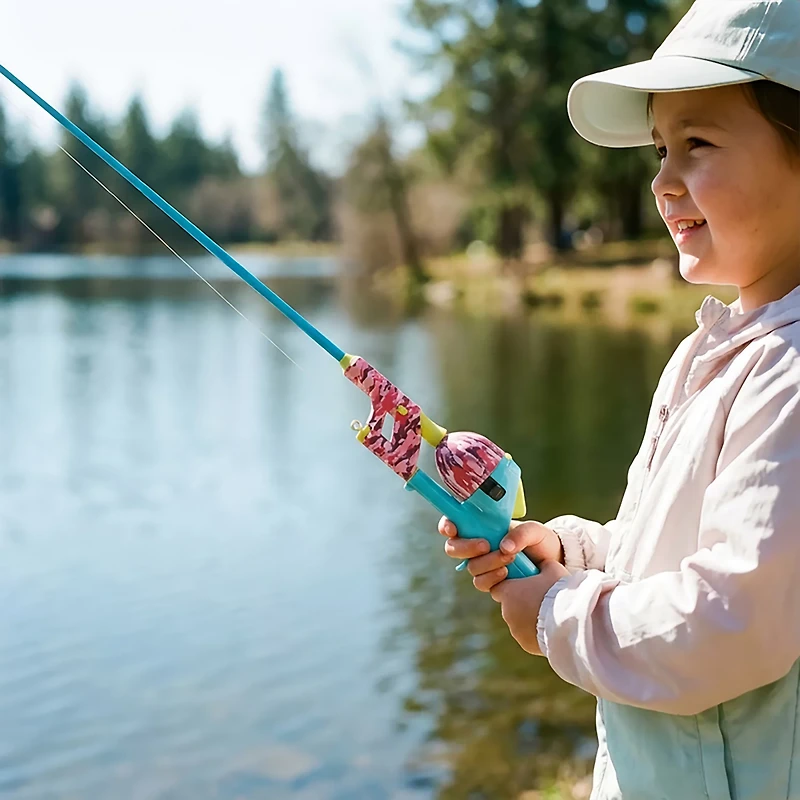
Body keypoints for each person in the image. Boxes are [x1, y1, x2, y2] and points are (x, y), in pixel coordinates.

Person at [438, 1, 800, 797]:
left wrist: (556, 614)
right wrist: (568, 552)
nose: (661, 180)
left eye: (697, 144)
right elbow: (653, 548)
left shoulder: (792, 374)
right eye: (663, 148)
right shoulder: (706, 351)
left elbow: (731, 624)